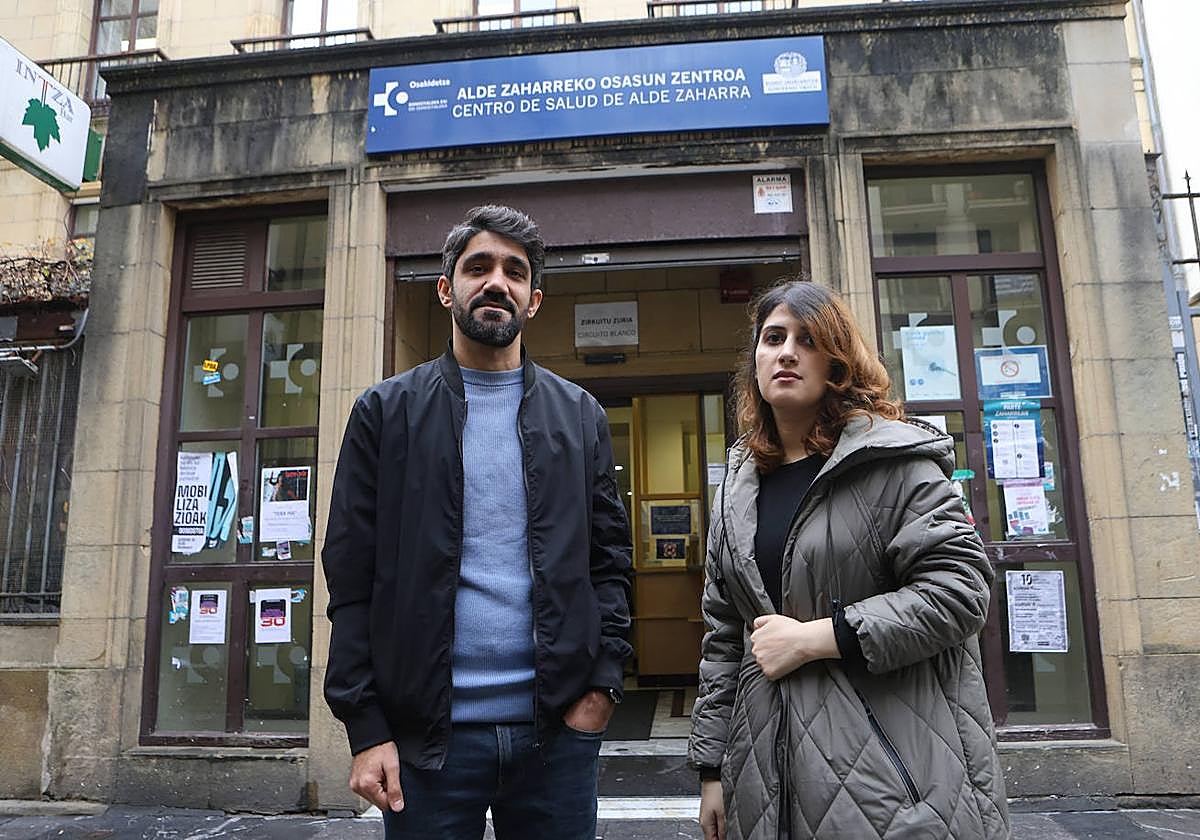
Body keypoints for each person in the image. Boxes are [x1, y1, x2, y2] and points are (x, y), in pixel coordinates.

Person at [322, 204, 633, 839]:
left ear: (534, 299)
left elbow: (611, 567)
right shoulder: (384, 414)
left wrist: (599, 693)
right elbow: (350, 581)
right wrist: (367, 728)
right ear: (446, 289)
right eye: (479, 267)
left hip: (557, 737)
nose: (497, 282)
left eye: (515, 272)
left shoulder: (580, 418)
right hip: (426, 745)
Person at [689, 280, 1010, 840]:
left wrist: (816, 638)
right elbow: (724, 636)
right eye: (773, 338)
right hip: (762, 776)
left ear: (837, 363)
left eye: (808, 339)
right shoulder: (737, 485)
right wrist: (712, 770)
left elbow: (960, 593)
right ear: (756, 362)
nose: (786, 352)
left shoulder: (896, 464)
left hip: (891, 772)